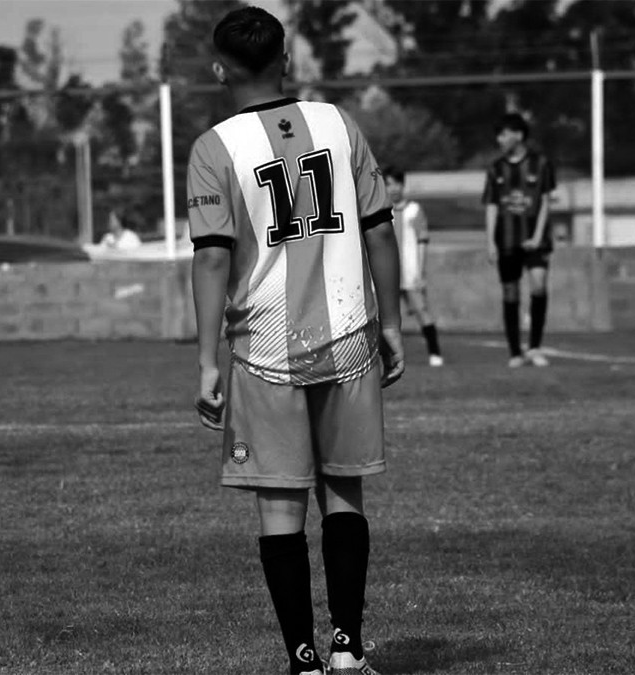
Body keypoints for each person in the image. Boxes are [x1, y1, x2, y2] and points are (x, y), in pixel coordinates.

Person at [188, 8, 402, 675]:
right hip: (348, 342)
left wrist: (204, 360)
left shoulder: (214, 148)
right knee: (344, 492)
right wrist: (392, 321)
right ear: (287, 60)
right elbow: (379, 230)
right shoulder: (338, 124)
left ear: (219, 69)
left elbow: (213, 258)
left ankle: (303, 659)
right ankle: (348, 648)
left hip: (265, 351)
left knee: (281, 502)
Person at [482, 113, 557, 368]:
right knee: (510, 291)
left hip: (536, 240)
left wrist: (537, 236)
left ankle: (535, 347)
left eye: (503, 134)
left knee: (538, 283)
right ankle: (515, 352)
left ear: (519, 135)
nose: (499, 139)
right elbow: (492, 205)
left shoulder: (541, 164)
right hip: (507, 240)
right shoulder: (495, 168)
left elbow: (546, 201)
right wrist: (491, 242)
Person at [384, 165, 444, 366]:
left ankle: (435, 353)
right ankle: (383, 357)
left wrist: (421, 271)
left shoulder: (414, 210)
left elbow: (422, 241)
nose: (392, 189)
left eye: (395, 184)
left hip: (410, 272)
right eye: (388, 185)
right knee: (382, 316)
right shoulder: (381, 211)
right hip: (387, 273)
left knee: (422, 310)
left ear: (402, 185)